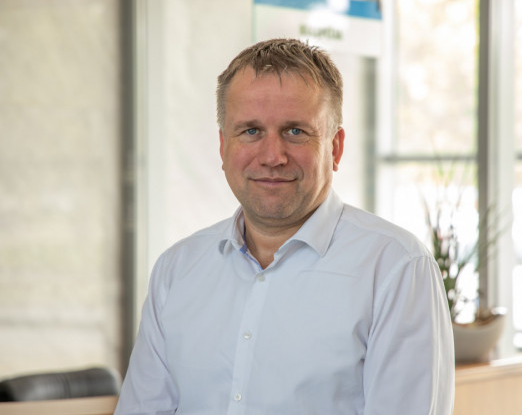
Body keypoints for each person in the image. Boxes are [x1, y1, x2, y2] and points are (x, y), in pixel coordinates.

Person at [115, 38, 454, 415]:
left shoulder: (396, 269)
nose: (272, 157)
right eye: (251, 131)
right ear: (223, 147)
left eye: (295, 131)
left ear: (335, 147)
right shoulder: (176, 271)